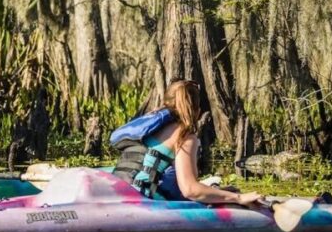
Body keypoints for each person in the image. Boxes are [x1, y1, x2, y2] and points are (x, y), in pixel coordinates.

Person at [111, 80, 261, 206]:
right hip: (141, 202)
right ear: (197, 111)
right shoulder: (184, 137)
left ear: (166, 103)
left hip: (116, 194)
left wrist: (221, 192)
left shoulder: (148, 127)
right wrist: (238, 198)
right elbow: (190, 190)